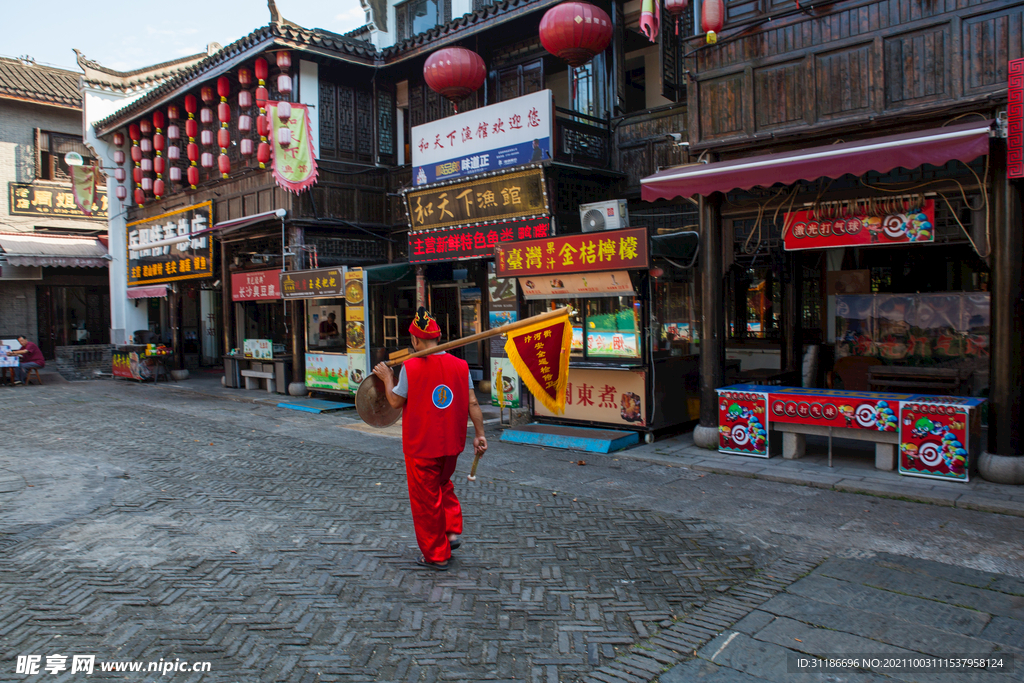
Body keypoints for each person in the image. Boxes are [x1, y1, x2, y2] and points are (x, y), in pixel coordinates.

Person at [372, 307, 487, 571]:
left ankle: (436, 554)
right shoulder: (461, 365)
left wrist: (388, 378)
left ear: (415, 340)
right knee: (443, 484)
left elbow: (394, 401)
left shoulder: (411, 367)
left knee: (426, 500)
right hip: (451, 446)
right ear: (438, 337)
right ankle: (451, 531)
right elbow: (473, 403)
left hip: (422, 447)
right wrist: (480, 434)